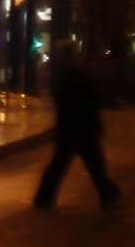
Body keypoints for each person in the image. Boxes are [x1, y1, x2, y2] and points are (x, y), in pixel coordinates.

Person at [33, 54, 120, 212]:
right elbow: (94, 97)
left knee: (63, 164)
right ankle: (108, 194)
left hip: (71, 128)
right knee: (93, 164)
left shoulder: (66, 77)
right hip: (83, 128)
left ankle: (44, 198)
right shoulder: (80, 76)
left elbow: (64, 104)